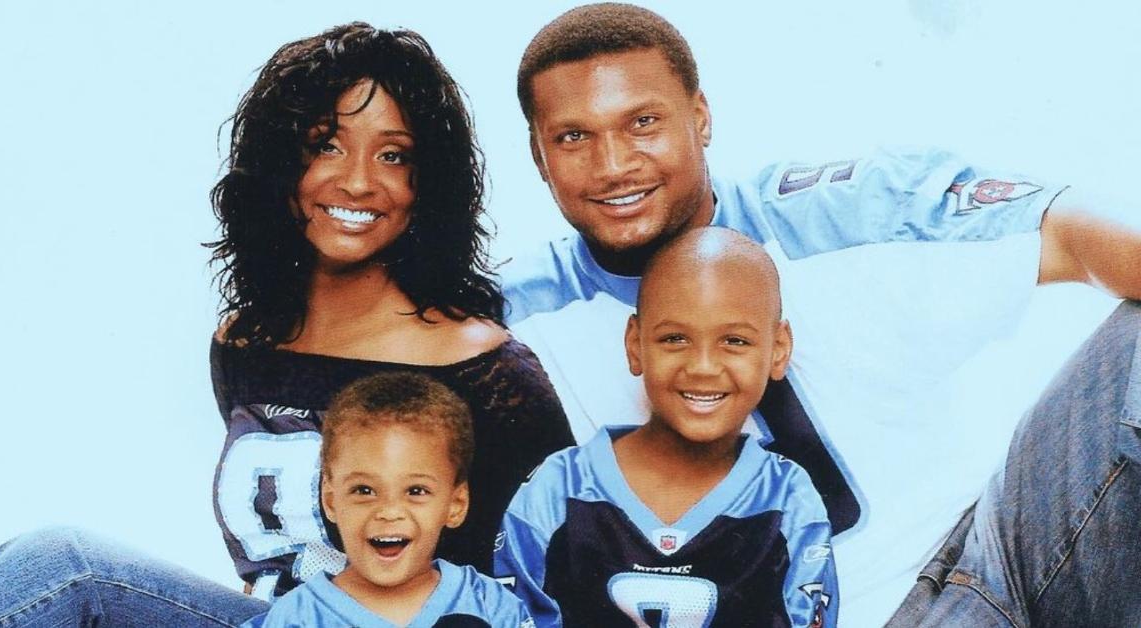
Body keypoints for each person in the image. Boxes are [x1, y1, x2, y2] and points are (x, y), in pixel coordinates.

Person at [500, 3, 1141, 626]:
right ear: (538, 155)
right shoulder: (512, 322)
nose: (614, 165)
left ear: (700, 117)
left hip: (1006, 541)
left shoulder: (827, 214)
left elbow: (1074, 232)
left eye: (642, 123)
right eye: (574, 137)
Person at [0, 22, 572, 627]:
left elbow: (564, 571)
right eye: (326, 143)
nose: (356, 180)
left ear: (427, 183)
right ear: (280, 165)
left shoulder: (484, 367)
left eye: (393, 155)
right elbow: (273, 558)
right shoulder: (246, 343)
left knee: (67, 569)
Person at [495, 227, 838, 627]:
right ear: (635, 344)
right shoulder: (558, 490)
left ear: (778, 350)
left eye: (735, 341)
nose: (703, 367)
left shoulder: (787, 500)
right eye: (675, 339)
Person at [243, 372, 533, 627]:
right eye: (364, 490)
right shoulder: (298, 618)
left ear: (455, 505)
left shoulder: (489, 604)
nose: (389, 511)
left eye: (416, 491)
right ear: (331, 501)